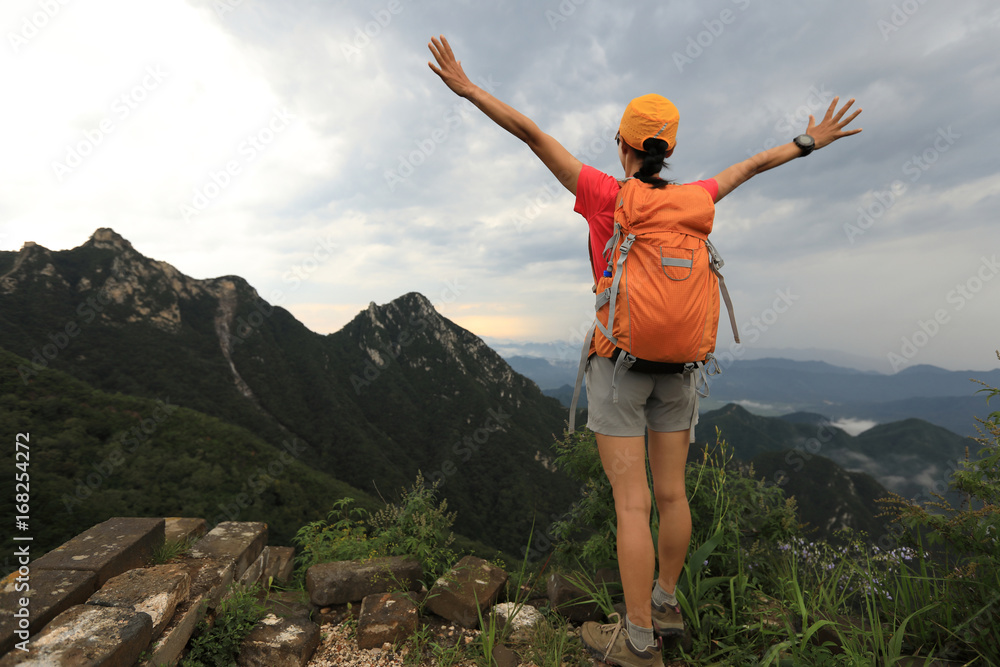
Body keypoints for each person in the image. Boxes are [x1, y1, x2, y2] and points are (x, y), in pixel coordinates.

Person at [428, 35, 862, 667]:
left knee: (631, 505)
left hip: (620, 367)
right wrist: (806, 142)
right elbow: (753, 164)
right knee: (672, 496)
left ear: (624, 143)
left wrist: (469, 90)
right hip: (682, 371)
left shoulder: (607, 195)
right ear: (671, 148)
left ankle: (636, 645)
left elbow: (530, 132)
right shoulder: (698, 199)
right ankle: (664, 602)